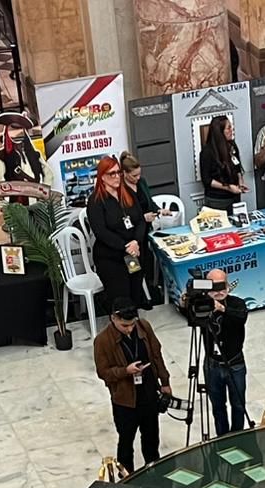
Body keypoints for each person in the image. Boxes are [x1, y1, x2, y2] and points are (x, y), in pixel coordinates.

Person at [94, 301, 173, 471]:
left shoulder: (143, 327)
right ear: (113, 318)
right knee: (126, 442)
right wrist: (125, 371)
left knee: (151, 438)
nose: (129, 329)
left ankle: (154, 471)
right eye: (124, 325)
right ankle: (126, 477)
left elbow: (156, 355)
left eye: (132, 324)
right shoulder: (103, 340)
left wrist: (165, 381)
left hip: (149, 393)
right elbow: (103, 372)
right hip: (125, 401)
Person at [192, 267, 251, 433]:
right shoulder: (203, 306)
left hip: (235, 363)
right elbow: (190, 317)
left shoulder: (237, 303)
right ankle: (222, 436)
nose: (219, 292)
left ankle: (238, 435)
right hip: (213, 364)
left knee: (238, 405)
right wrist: (188, 300)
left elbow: (241, 317)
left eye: (222, 286)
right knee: (218, 406)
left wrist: (221, 308)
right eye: (214, 287)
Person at [85, 156, 142, 312]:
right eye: (112, 173)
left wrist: (136, 242)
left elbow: (140, 220)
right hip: (110, 257)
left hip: (132, 254)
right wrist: (125, 246)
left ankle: (134, 321)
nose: (117, 176)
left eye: (118, 172)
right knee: (121, 298)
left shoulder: (128, 193)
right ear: (102, 177)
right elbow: (101, 232)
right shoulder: (95, 201)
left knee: (135, 292)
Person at [119, 152, 160, 308]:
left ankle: (144, 294)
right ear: (125, 173)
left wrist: (159, 210)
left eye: (139, 174)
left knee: (144, 263)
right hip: (130, 234)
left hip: (144, 231)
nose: (137, 178)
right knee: (133, 267)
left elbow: (149, 201)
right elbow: (124, 214)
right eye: (134, 175)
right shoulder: (121, 189)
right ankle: (134, 300)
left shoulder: (141, 182)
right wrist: (143, 217)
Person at [199, 116, 246, 208]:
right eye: (228, 128)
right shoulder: (207, 152)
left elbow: (237, 167)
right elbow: (207, 180)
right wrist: (228, 187)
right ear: (220, 132)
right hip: (217, 200)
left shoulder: (232, 145)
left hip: (235, 197)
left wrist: (240, 181)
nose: (232, 130)